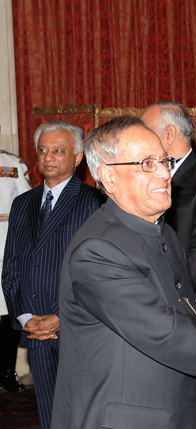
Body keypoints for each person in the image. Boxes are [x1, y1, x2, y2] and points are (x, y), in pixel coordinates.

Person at [51, 117, 196, 429]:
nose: (164, 173)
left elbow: (186, 317)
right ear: (108, 176)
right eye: (146, 163)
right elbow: (166, 332)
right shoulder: (97, 250)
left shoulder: (163, 233)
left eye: (164, 160)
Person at [2, 121, 104, 429]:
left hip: (78, 328)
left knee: (84, 414)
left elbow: (98, 273)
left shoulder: (94, 202)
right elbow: (11, 269)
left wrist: (60, 315)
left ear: (77, 157)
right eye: (43, 151)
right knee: (49, 414)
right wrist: (24, 318)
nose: (49, 158)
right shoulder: (22, 204)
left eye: (58, 151)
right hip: (36, 331)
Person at [141, 101, 196, 285]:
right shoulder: (142, 176)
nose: (139, 137)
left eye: (145, 131)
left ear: (169, 134)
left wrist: (173, 296)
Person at [0, 150, 31, 393]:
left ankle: (7, 373)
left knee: (8, 318)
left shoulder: (11, 165)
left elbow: (27, 204)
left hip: (5, 251)